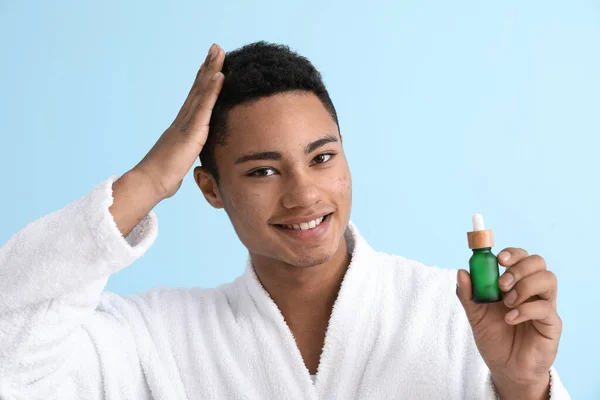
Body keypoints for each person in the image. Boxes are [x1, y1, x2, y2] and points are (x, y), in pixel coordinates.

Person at [0, 41, 570, 399]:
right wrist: (149, 180)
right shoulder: (155, 341)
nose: (304, 195)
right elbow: (14, 356)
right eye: (262, 172)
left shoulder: (454, 316)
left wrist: (523, 389)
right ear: (209, 188)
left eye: (322, 158)